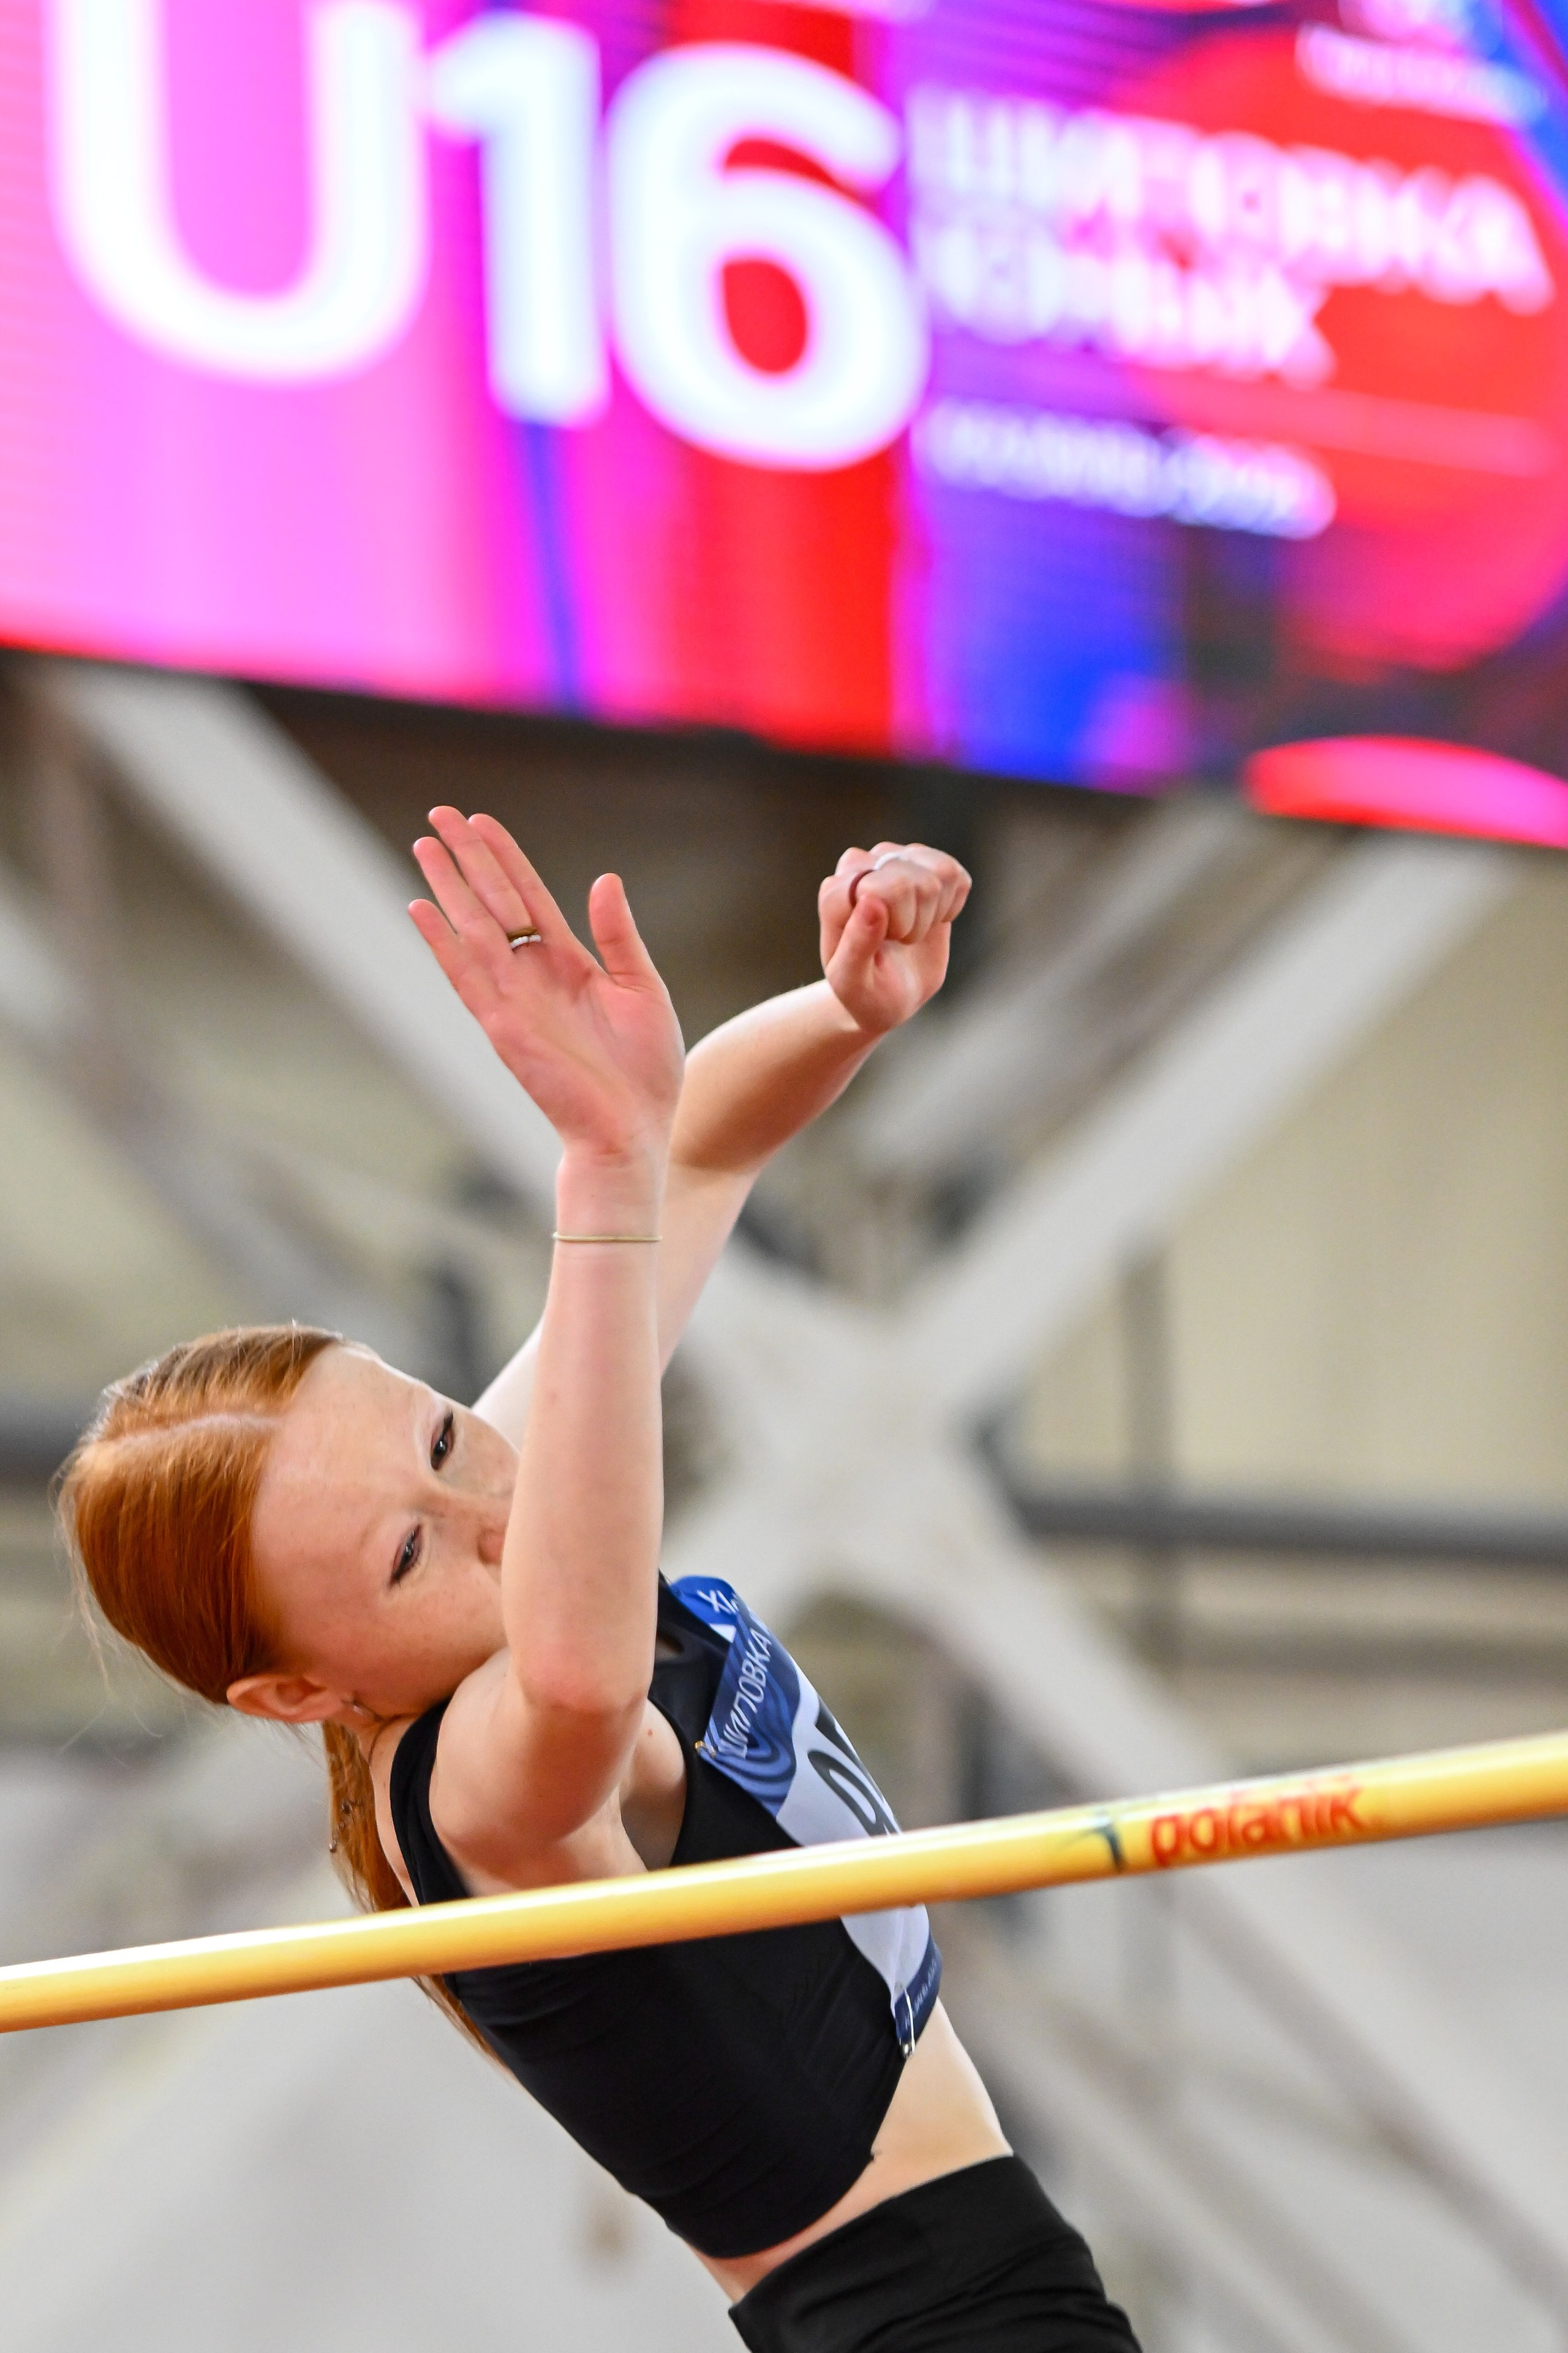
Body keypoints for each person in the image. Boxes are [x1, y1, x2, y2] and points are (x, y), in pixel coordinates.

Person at [64, 811, 1141, 2353]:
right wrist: (596, 1159)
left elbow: (695, 1154)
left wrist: (843, 1008)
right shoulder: (470, 1796)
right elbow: (584, 1679)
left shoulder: (497, 1515)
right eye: (407, 1549)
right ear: (302, 1687)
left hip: (992, 2283)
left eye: (445, 1428)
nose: (486, 1501)